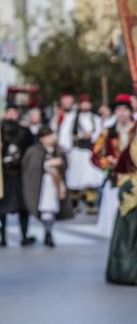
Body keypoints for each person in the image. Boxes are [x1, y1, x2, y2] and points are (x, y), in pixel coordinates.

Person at [94, 95, 137, 285]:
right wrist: (108, 164)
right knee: (120, 226)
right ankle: (122, 266)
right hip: (118, 182)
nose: (122, 114)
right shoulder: (109, 133)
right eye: (119, 110)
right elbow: (95, 155)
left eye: (125, 110)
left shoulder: (135, 129)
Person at [0, 104, 35, 247]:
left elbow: (31, 149)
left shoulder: (25, 131)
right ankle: (2, 237)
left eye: (14, 112)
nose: (12, 115)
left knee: (23, 208)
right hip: (3, 174)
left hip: (20, 174)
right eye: (9, 112)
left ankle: (24, 235)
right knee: (2, 207)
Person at [21, 127, 73, 247]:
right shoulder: (34, 151)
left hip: (55, 183)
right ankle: (47, 230)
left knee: (52, 208)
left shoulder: (58, 150)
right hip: (41, 184)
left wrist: (60, 164)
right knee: (45, 208)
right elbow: (30, 168)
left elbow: (65, 166)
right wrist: (47, 164)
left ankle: (48, 232)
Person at [64, 95, 104, 215]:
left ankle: (91, 204)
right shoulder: (71, 118)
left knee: (90, 178)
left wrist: (91, 136)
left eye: (87, 103)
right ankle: (74, 203)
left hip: (89, 151)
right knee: (74, 178)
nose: (85, 105)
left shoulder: (96, 119)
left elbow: (100, 134)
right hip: (76, 151)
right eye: (83, 103)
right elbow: (65, 135)